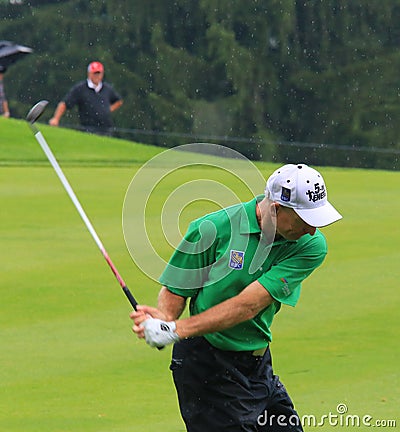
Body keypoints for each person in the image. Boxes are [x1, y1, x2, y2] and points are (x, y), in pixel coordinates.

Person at [131, 163, 342, 432]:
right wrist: (164, 317)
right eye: (305, 221)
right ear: (276, 208)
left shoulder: (310, 246)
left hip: (258, 367)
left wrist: (175, 329)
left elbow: (248, 305)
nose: (312, 230)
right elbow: (177, 288)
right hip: (207, 368)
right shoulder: (212, 228)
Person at [49, 61, 123, 135]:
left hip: (106, 129)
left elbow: (119, 101)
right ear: (89, 74)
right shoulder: (80, 89)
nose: (97, 76)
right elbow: (64, 104)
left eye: (99, 73)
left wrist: (108, 109)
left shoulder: (107, 89)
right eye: (95, 73)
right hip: (87, 129)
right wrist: (56, 119)